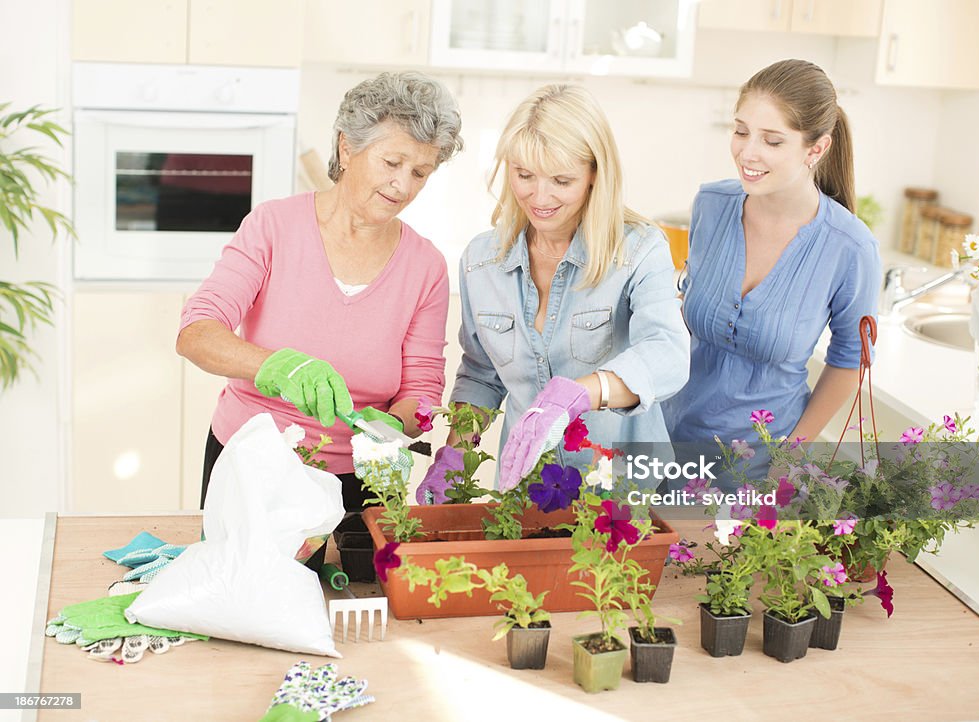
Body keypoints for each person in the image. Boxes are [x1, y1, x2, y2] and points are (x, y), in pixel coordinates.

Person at [176, 72, 464, 560]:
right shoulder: (273, 226)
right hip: (256, 466)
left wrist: (391, 426)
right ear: (347, 148)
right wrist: (276, 366)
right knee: (251, 608)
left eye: (420, 172)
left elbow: (421, 389)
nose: (403, 185)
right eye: (391, 162)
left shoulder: (426, 266)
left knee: (362, 622)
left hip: (363, 485)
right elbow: (197, 332)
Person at [418, 83, 689, 500]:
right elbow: (481, 375)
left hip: (627, 492)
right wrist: (456, 455)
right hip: (529, 493)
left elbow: (669, 353)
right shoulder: (481, 262)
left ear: (594, 174)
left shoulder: (637, 250)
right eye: (524, 175)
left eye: (561, 180)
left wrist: (584, 392)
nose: (539, 197)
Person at [662, 59, 882, 465]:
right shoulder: (710, 205)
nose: (748, 152)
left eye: (772, 141)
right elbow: (683, 312)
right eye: (741, 131)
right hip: (667, 441)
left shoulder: (851, 248)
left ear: (816, 148)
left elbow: (849, 362)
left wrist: (788, 459)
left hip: (760, 467)